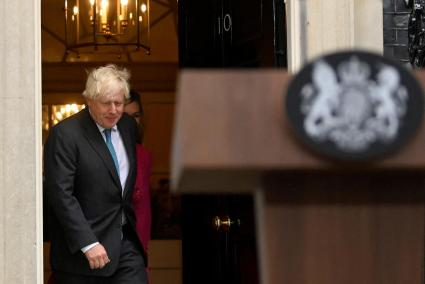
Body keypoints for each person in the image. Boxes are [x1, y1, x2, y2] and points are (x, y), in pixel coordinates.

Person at [44, 64, 147, 284]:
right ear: (89, 100)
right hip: (82, 256)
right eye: (106, 103)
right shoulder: (65, 135)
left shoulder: (127, 126)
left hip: (125, 246)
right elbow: (61, 194)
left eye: (119, 103)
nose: (113, 110)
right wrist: (88, 243)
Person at [124, 89, 152, 254]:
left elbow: (138, 196)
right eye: (125, 116)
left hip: (135, 247)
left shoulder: (142, 154)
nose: (131, 122)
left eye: (135, 116)